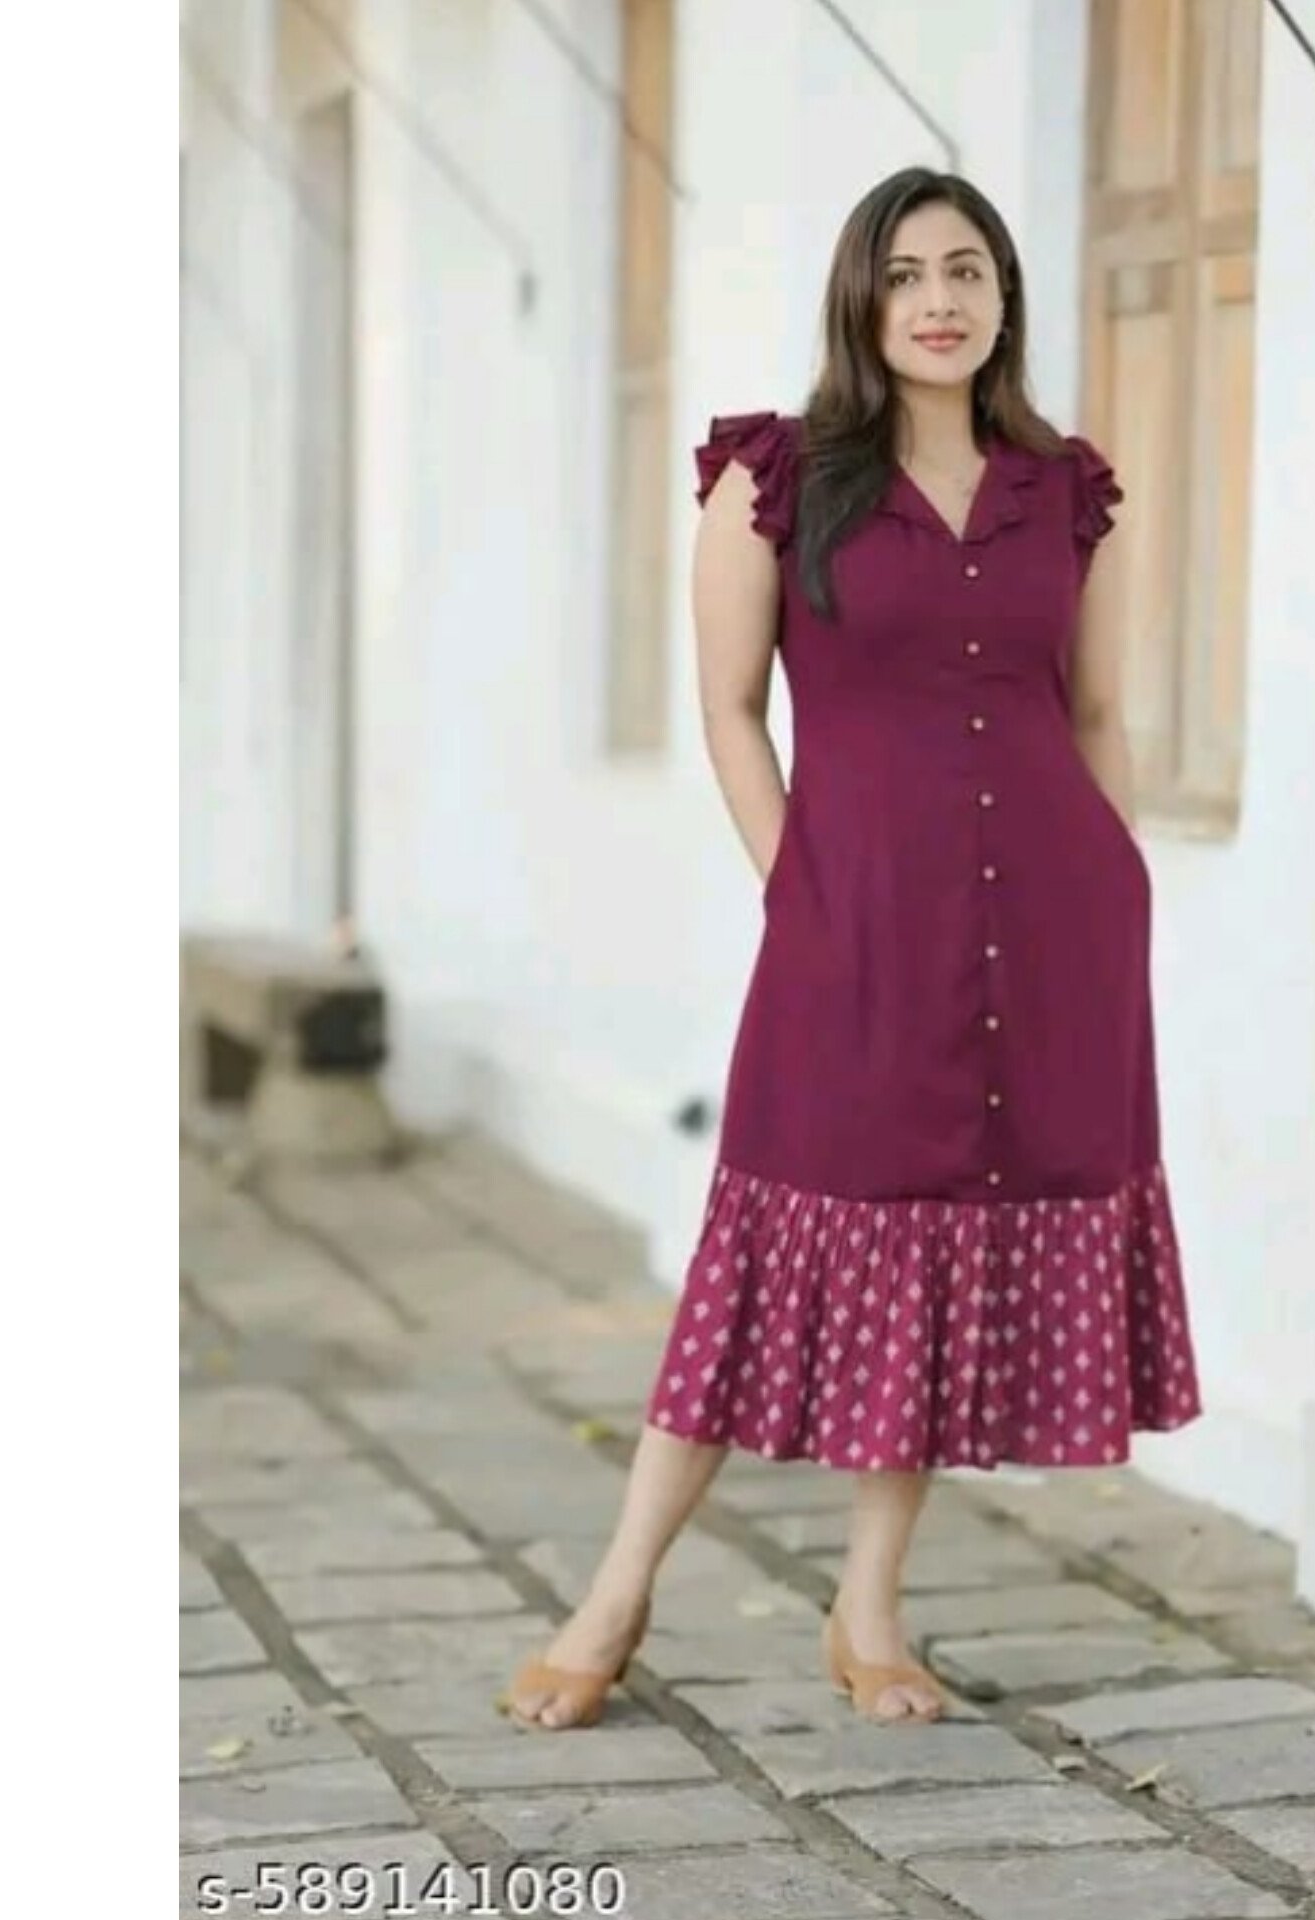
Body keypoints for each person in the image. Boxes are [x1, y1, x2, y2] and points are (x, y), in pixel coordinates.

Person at [507, 166, 1201, 1733]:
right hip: (855, 926)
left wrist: (1120, 898)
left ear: (1006, 296)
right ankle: (614, 1596)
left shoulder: (1065, 491)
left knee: (943, 1255)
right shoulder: (778, 478)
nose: (938, 300)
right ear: (861, 300)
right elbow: (729, 710)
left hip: (1054, 933)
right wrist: (800, 897)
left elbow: (1096, 715)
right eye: (905, 275)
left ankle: (869, 1610)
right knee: (760, 1257)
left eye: (967, 271)